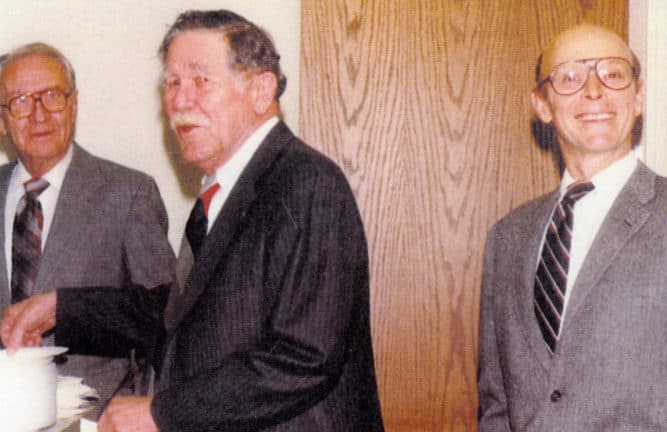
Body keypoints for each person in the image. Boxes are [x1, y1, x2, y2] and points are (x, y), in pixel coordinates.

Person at [2, 10, 384, 431]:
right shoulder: (218, 196)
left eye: (201, 80)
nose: (179, 101)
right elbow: (172, 322)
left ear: (261, 90)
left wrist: (162, 412)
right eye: (172, 83)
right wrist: (62, 308)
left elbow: (304, 358)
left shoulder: (306, 184)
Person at [477, 23, 667, 431]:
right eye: (570, 77)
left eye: (613, 74)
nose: (594, 90)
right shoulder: (506, 239)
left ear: (639, 96)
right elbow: (496, 408)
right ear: (541, 104)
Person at [0, 43, 176, 421]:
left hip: (95, 422)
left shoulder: (128, 193)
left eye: (52, 96)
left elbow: (164, 316)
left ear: (74, 104)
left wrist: (64, 309)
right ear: (1, 120)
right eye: (19, 101)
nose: (39, 114)